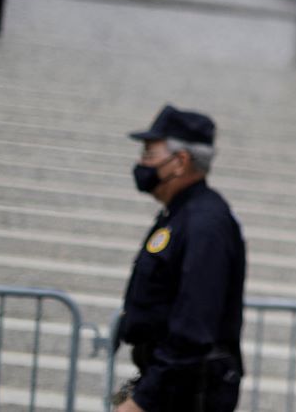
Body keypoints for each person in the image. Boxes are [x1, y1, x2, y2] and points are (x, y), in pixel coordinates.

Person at [113, 105, 246, 412]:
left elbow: (193, 326)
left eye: (149, 154)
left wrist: (144, 400)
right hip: (170, 383)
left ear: (180, 161)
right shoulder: (182, 214)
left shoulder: (205, 223)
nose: (141, 164)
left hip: (189, 391)